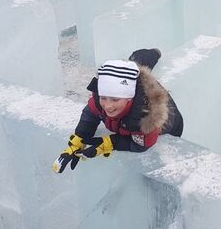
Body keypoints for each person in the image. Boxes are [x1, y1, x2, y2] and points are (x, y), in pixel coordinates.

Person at [53, 48, 183, 173]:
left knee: (141, 69)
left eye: (115, 99)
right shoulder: (99, 101)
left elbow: (141, 145)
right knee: (136, 64)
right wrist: (79, 139)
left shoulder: (147, 118)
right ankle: (152, 54)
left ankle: (153, 53)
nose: (108, 105)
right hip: (130, 88)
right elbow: (90, 115)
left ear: (129, 98)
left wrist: (111, 143)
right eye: (104, 97)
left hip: (173, 125)